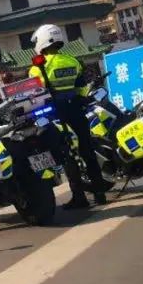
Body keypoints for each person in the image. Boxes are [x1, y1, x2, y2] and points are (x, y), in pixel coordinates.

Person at [29, 24, 108, 209]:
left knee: (67, 154)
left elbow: (37, 95)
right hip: (76, 109)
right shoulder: (72, 61)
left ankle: (79, 197)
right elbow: (81, 88)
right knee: (87, 150)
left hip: (56, 113)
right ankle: (100, 193)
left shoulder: (38, 68)